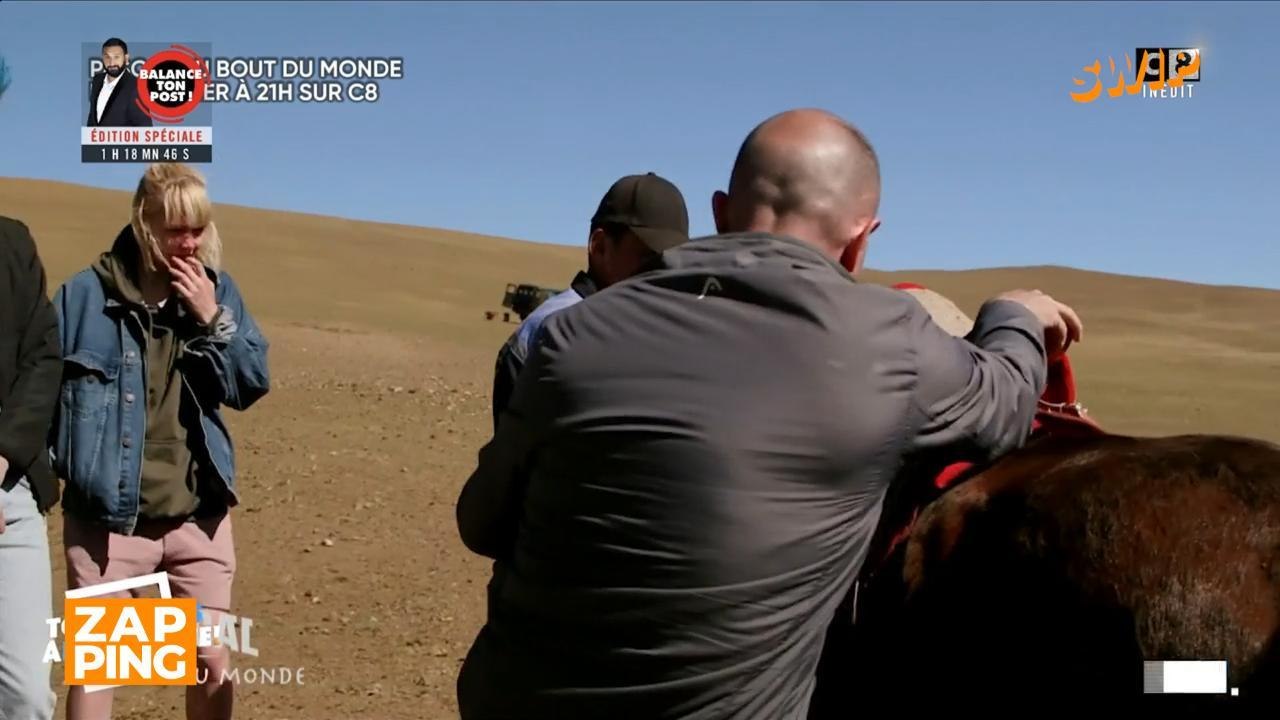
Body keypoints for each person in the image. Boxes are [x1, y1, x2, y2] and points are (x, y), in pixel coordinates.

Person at [455, 108, 1083, 719]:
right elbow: (1005, 402)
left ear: (720, 214)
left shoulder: (571, 335)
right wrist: (1015, 315)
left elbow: (482, 523)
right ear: (861, 241)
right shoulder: (892, 343)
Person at [50, 163, 270, 720]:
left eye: (198, 228)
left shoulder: (219, 293)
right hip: (108, 525)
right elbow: (40, 393)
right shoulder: (82, 297)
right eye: (175, 229)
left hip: (198, 518)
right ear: (143, 223)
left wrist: (212, 318)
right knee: (100, 669)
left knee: (209, 664)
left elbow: (250, 384)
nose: (190, 242)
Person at [490, 171, 690, 428]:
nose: (662, 273)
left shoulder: (664, 334)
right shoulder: (547, 332)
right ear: (599, 246)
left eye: (671, 261)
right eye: (648, 258)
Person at [1, 214, 62, 720]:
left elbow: (43, 356)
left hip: (10, 492)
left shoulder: (12, 241)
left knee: (26, 696)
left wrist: (2, 454)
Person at [87, 37, 153, 127]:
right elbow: (92, 119)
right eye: (107, 57)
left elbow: (144, 129)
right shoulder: (97, 80)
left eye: (116, 57)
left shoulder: (136, 87)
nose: (111, 63)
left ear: (126, 58)